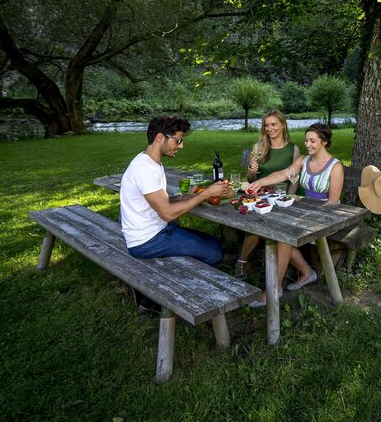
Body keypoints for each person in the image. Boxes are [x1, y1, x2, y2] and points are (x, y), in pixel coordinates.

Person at [120, 116, 233, 313]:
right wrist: (207, 193)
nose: (181, 146)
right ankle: (156, 297)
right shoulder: (145, 169)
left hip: (156, 230)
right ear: (160, 138)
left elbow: (162, 202)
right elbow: (167, 213)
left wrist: (188, 197)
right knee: (214, 254)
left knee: (215, 244)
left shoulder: (151, 162)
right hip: (147, 240)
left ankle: (158, 288)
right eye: (178, 140)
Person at [245, 123, 344, 306]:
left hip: (325, 217)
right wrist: (260, 182)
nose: (308, 144)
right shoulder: (304, 160)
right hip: (304, 211)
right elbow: (284, 173)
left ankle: (274, 289)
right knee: (274, 227)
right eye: (306, 140)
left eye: (312, 141)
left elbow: (332, 205)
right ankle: (307, 273)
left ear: (324, 142)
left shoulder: (335, 167)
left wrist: (304, 213)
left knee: (283, 237)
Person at [235, 110, 301, 278]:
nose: (269, 128)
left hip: (281, 197)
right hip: (260, 194)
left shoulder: (294, 149)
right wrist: (251, 170)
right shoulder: (258, 147)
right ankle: (242, 261)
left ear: (283, 125)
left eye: (273, 124)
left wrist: (290, 198)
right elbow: (250, 178)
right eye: (266, 125)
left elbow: (294, 178)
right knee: (254, 223)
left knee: (278, 231)